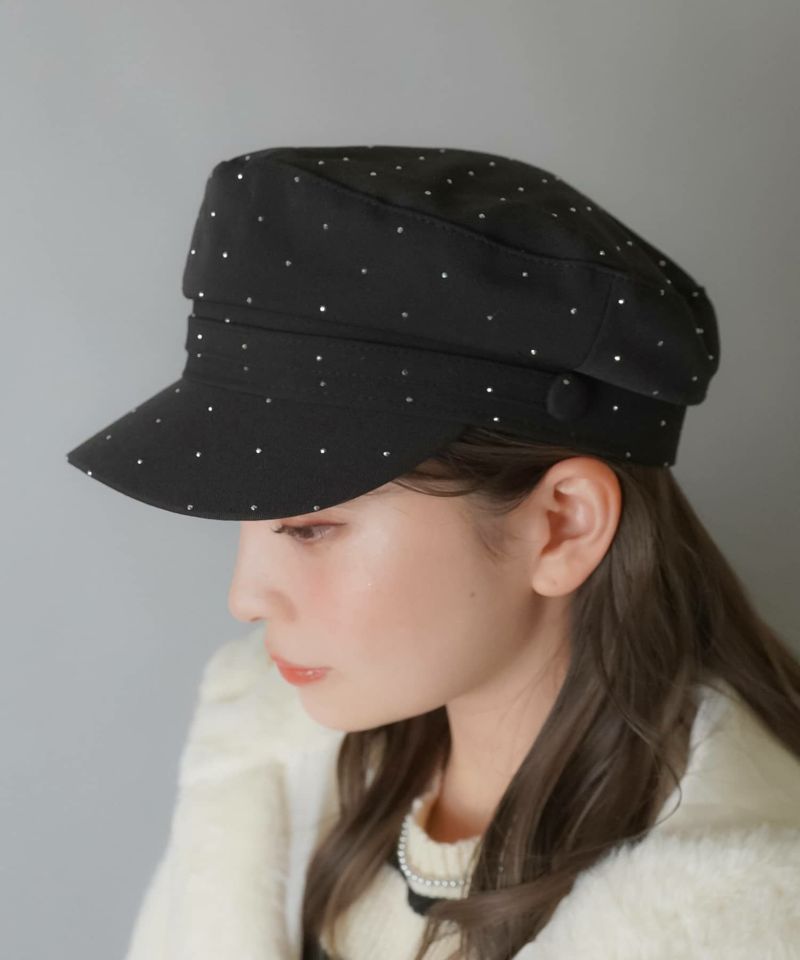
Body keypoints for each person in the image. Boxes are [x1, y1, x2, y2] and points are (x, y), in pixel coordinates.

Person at [66, 144, 800, 960]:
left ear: (563, 525)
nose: (246, 597)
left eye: (310, 528)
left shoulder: (738, 919)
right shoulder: (270, 781)